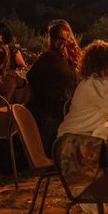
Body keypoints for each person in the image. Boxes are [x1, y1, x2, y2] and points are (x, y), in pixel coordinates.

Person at [57, 40, 108, 145]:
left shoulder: (93, 81)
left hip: (73, 137)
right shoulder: (96, 86)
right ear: (107, 64)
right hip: (72, 143)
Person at [26, 19, 81, 155]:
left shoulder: (53, 57)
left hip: (56, 107)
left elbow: (30, 77)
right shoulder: (63, 59)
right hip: (62, 106)